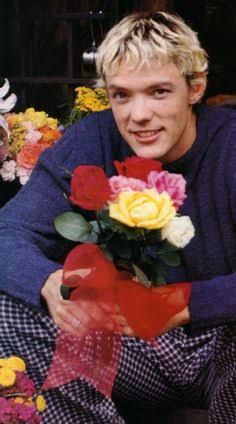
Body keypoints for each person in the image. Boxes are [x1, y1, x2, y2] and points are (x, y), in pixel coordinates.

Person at [0, 10, 236, 423]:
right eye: (121, 95)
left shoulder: (230, 145)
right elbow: (9, 230)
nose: (137, 115)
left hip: (224, 342)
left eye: (159, 92)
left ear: (194, 88)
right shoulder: (94, 136)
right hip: (131, 345)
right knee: (8, 305)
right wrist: (46, 282)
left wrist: (187, 302)